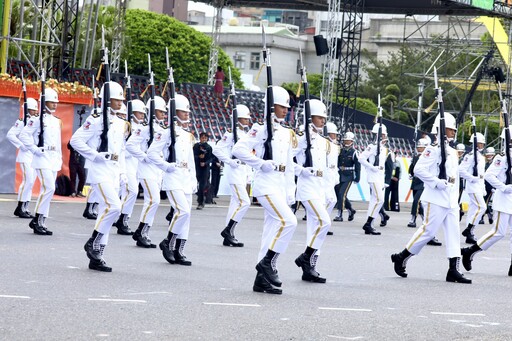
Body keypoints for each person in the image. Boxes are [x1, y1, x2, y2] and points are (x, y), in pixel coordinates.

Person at [391, 112, 471, 284]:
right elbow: (418, 170)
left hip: (450, 199)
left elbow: (455, 177)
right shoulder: (432, 149)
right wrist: (436, 182)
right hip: (435, 197)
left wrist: (455, 198)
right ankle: (401, 257)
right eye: (450, 130)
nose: (453, 133)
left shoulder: (451, 151)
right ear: (441, 130)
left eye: (453, 130)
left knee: (454, 234)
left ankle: (454, 270)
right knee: (428, 231)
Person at [232, 85, 298, 295]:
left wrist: (291, 192)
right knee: (289, 222)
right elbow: (238, 149)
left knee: (270, 232)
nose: (285, 110)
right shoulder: (260, 128)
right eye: (281, 106)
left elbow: (289, 164)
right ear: (272, 107)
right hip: (265, 184)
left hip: (279, 184)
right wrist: (260, 163)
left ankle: (261, 280)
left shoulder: (287, 132)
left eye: (287, 107)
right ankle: (267, 263)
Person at [70, 81, 129, 272]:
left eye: (121, 99)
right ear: (107, 100)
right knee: (115, 207)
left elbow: (121, 151)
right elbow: (75, 141)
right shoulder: (95, 119)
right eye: (116, 99)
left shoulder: (121, 123)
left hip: (113, 170)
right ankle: (92, 242)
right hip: (100, 170)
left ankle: (98, 256)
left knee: (106, 213)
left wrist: (123, 173)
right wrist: (95, 155)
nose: (120, 102)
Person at [147, 94, 196, 266]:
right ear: (175, 112)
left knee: (187, 215)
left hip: (185, 177)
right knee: (182, 211)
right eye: (183, 112)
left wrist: (194, 179)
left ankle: (179, 250)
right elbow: (152, 154)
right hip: (173, 176)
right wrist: (166, 166)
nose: (187, 114)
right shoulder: (166, 132)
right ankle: (168, 241)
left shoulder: (187, 134)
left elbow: (190, 160)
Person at [461, 125, 512, 276]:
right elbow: (490, 175)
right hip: (504, 200)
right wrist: (503, 187)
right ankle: (470, 251)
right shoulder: (502, 157)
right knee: (498, 232)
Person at [293, 99, 332, 283]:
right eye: (319, 118)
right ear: (310, 118)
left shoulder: (323, 142)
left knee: (316, 229)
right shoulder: (301, 137)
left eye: (324, 118)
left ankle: (310, 268)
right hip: (307, 188)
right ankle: (306, 257)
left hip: (319, 187)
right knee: (325, 222)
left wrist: (327, 190)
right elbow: (286, 159)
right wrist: (300, 170)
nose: (323, 121)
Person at [19, 88, 62, 236]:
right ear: (44, 102)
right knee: (48, 187)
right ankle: (37, 219)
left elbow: (58, 142)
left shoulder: (56, 121)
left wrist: (59, 158)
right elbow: (24, 136)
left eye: (56, 102)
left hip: (53, 158)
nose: (55, 105)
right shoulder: (36, 119)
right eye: (52, 102)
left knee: (50, 191)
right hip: (41, 158)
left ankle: (41, 221)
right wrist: (34, 149)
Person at [126, 97, 168, 247]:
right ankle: (141, 231)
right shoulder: (144, 127)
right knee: (153, 200)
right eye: (160, 111)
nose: (163, 114)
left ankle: (143, 232)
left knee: (152, 202)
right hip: (146, 169)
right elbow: (130, 145)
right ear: (152, 111)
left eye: (164, 111)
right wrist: (144, 157)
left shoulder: (163, 129)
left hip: (157, 170)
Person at [213, 104, 252, 247]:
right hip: (234, 171)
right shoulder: (230, 133)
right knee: (244, 202)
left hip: (243, 170)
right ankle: (228, 230)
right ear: (237, 118)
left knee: (235, 204)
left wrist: (248, 174)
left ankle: (229, 236)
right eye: (244, 118)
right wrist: (229, 161)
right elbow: (217, 150)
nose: (247, 120)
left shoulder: (247, 135)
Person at [114, 100, 148, 236]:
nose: (142, 115)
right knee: (131, 191)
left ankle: (122, 218)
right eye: (140, 112)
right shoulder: (125, 126)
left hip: (136, 163)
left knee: (130, 192)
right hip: (126, 161)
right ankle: (122, 219)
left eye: (143, 113)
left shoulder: (142, 127)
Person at [6, 97, 39, 218]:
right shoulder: (21, 121)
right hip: (25, 156)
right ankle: (20, 207)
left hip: (34, 155)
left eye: (35, 110)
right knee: (28, 181)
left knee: (31, 183)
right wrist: (21, 145)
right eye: (32, 110)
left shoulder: (35, 121)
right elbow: (10, 135)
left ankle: (25, 206)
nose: (35, 112)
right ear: (26, 110)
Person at [358, 123, 392, 235]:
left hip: (380, 177)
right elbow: (361, 158)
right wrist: (371, 167)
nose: (382, 136)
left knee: (374, 201)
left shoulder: (385, 149)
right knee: (380, 200)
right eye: (380, 134)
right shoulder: (372, 147)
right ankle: (368, 223)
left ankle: (370, 225)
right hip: (373, 177)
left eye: (383, 134)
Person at [459, 132, 486, 244]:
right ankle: (469, 229)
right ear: (476, 144)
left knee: (473, 211)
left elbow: (482, 175)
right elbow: (460, 170)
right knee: (482, 207)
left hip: (478, 187)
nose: (482, 145)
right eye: (480, 143)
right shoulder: (469, 156)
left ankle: (470, 234)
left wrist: (483, 187)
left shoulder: (480, 157)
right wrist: (471, 178)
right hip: (473, 187)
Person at [333, 131, 360, 222]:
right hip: (339, 174)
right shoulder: (340, 150)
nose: (346, 142)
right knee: (338, 193)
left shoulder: (354, 152)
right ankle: (350, 210)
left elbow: (357, 166)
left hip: (348, 176)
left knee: (342, 194)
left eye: (348, 141)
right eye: (345, 140)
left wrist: (357, 177)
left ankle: (339, 214)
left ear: (352, 141)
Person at [324, 122, 341, 235]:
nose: (335, 136)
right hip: (325, 175)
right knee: (329, 200)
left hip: (332, 175)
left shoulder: (335, 147)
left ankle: (324, 224)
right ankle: (322, 223)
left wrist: (336, 176)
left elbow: (334, 163)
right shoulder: (324, 144)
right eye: (333, 134)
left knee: (332, 200)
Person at [194, 132, 213, 210]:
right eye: (202, 138)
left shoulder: (209, 147)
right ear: (200, 138)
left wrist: (205, 163)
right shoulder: (196, 146)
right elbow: (192, 156)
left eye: (205, 138)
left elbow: (211, 158)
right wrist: (198, 157)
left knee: (202, 186)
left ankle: (201, 202)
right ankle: (199, 197)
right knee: (194, 185)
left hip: (205, 169)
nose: (204, 139)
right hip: (196, 168)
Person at [482, 146, 496, 224]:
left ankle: (482, 217)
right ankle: (489, 214)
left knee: (485, 202)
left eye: (490, 155)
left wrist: (494, 187)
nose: (489, 156)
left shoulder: (495, 164)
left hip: (490, 186)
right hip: (484, 185)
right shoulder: (485, 164)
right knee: (483, 201)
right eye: (487, 155)